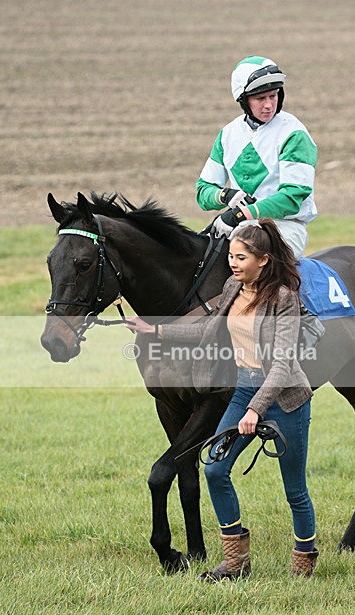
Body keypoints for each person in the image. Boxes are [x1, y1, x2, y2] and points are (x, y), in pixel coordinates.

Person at [126, 219, 319, 580]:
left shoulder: (284, 299)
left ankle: (304, 562)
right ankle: (235, 562)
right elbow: (208, 329)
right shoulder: (232, 287)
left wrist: (255, 410)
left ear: (263, 260)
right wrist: (156, 330)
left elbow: (282, 365)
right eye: (230, 256)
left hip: (285, 398)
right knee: (215, 470)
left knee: (294, 489)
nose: (233, 263)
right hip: (244, 389)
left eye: (241, 257)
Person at [196, 55, 318, 260]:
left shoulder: (294, 133)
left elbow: (291, 198)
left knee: (251, 263)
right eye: (260, 98)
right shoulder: (228, 134)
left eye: (273, 96)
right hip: (239, 227)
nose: (269, 105)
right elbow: (203, 192)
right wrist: (225, 196)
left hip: (283, 228)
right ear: (243, 100)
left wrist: (239, 214)